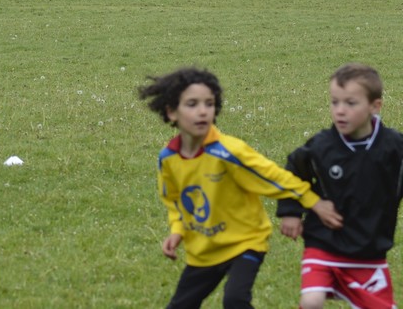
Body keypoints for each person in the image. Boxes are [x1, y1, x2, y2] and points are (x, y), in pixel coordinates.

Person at [138, 66, 342, 309]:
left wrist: (314, 202)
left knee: (235, 300)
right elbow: (174, 200)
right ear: (171, 112)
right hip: (204, 250)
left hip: (245, 242)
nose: (202, 111)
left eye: (209, 104)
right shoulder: (168, 158)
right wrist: (177, 230)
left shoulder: (229, 151)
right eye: (192, 104)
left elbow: (274, 177)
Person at [277, 63, 403, 309]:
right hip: (324, 245)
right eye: (335, 102)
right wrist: (291, 212)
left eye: (350, 103)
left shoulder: (394, 148)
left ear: (375, 106)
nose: (340, 111)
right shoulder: (321, 146)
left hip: (369, 253)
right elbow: (293, 171)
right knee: (311, 301)